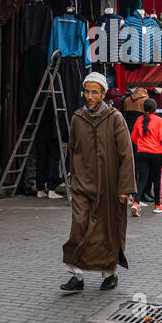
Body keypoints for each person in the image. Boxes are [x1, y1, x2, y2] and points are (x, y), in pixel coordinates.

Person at [61, 72, 137, 292]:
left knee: (107, 231)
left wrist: (125, 188)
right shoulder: (78, 118)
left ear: (103, 94)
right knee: (79, 227)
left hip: (109, 187)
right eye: (87, 91)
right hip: (82, 185)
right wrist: (72, 178)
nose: (90, 96)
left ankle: (109, 274)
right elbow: (72, 150)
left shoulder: (115, 118)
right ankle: (76, 275)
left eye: (95, 92)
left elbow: (126, 155)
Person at [130, 98, 162, 216]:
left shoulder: (139, 120)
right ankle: (157, 205)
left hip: (142, 153)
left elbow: (133, 137)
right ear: (155, 108)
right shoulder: (159, 120)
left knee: (141, 179)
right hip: (156, 153)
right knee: (157, 179)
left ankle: (136, 203)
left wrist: (140, 144)